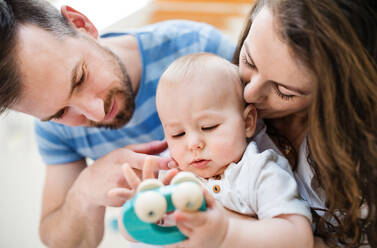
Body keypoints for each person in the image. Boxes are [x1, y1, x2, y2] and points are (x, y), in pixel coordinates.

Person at [0, 0, 235, 247]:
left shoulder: (197, 47)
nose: (97, 112)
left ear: (81, 24)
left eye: (80, 78)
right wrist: (85, 190)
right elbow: (61, 241)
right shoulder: (55, 131)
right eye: (60, 112)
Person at [113, 52, 314, 248]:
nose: (193, 144)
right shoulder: (170, 175)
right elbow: (130, 234)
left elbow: (298, 237)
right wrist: (137, 209)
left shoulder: (259, 171)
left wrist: (226, 233)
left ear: (247, 122)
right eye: (177, 134)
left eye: (208, 127)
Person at [233, 0, 377, 247]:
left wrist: (229, 230)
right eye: (248, 60)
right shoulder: (221, 84)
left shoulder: (361, 164)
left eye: (284, 91)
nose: (250, 94)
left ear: (338, 96)